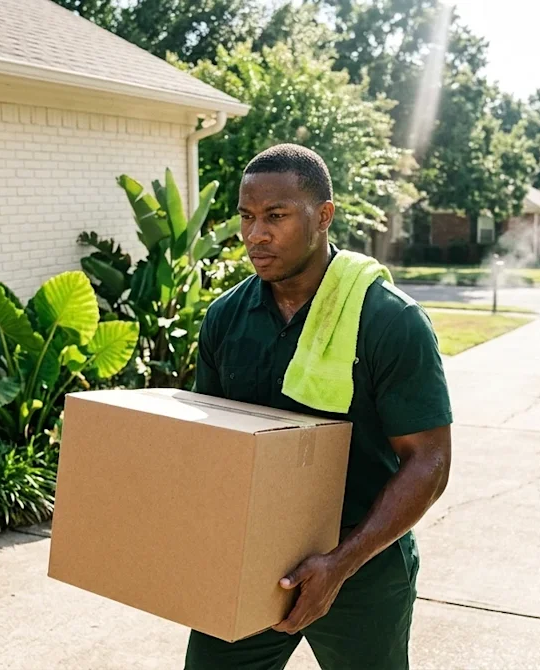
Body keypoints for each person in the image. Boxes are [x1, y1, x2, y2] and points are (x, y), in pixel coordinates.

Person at [189, 143, 453, 670]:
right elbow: (210, 446)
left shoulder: (388, 321)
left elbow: (429, 461)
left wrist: (339, 564)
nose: (254, 235)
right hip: (249, 562)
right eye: (246, 216)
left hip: (363, 566)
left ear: (324, 217)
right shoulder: (224, 319)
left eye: (276, 217)